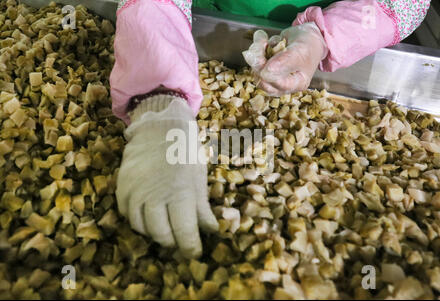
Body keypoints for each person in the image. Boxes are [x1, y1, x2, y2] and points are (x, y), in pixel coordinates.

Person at [110, 0, 431, 259]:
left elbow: (407, 4)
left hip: (342, 34)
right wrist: (159, 103)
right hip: (193, 26)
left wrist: (322, 36)